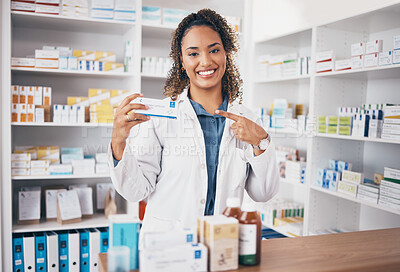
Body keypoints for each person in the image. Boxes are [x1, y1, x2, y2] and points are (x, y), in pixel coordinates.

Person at [109, 9, 279, 232]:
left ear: (226, 53)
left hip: (222, 244)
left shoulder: (247, 118)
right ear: (182, 60)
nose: (206, 62)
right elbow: (137, 191)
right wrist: (118, 141)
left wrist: (262, 142)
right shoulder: (161, 117)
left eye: (214, 50)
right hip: (170, 246)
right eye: (193, 53)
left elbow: (263, 193)